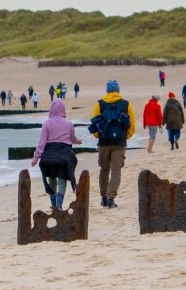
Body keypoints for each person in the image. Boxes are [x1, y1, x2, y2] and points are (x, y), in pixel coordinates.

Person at [90, 79, 135, 208]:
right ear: (118, 90)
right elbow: (132, 125)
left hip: (104, 142)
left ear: (107, 91)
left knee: (104, 169)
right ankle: (111, 198)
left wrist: (98, 135)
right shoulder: (126, 104)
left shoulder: (99, 104)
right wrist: (126, 136)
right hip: (119, 143)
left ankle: (103, 198)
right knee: (116, 171)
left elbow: (94, 124)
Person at [31, 99, 82, 209]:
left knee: (51, 178)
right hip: (64, 156)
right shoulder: (69, 123)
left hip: (48, 156)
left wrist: (35, 158)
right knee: (62, 178)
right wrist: (78, 141)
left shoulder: (47, 123)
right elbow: (72, 139)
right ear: (63, 109)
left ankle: (53, 205)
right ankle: (59, 206)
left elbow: (41, 143)